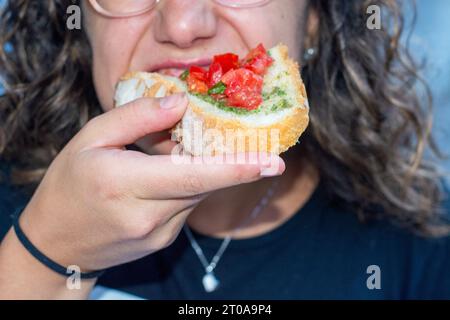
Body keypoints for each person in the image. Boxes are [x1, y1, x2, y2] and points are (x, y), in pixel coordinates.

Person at [0, 0, 449, 300]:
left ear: (313, 18)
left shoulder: (424, 251)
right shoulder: (11, 203)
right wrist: (47, 255)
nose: (181, 25)